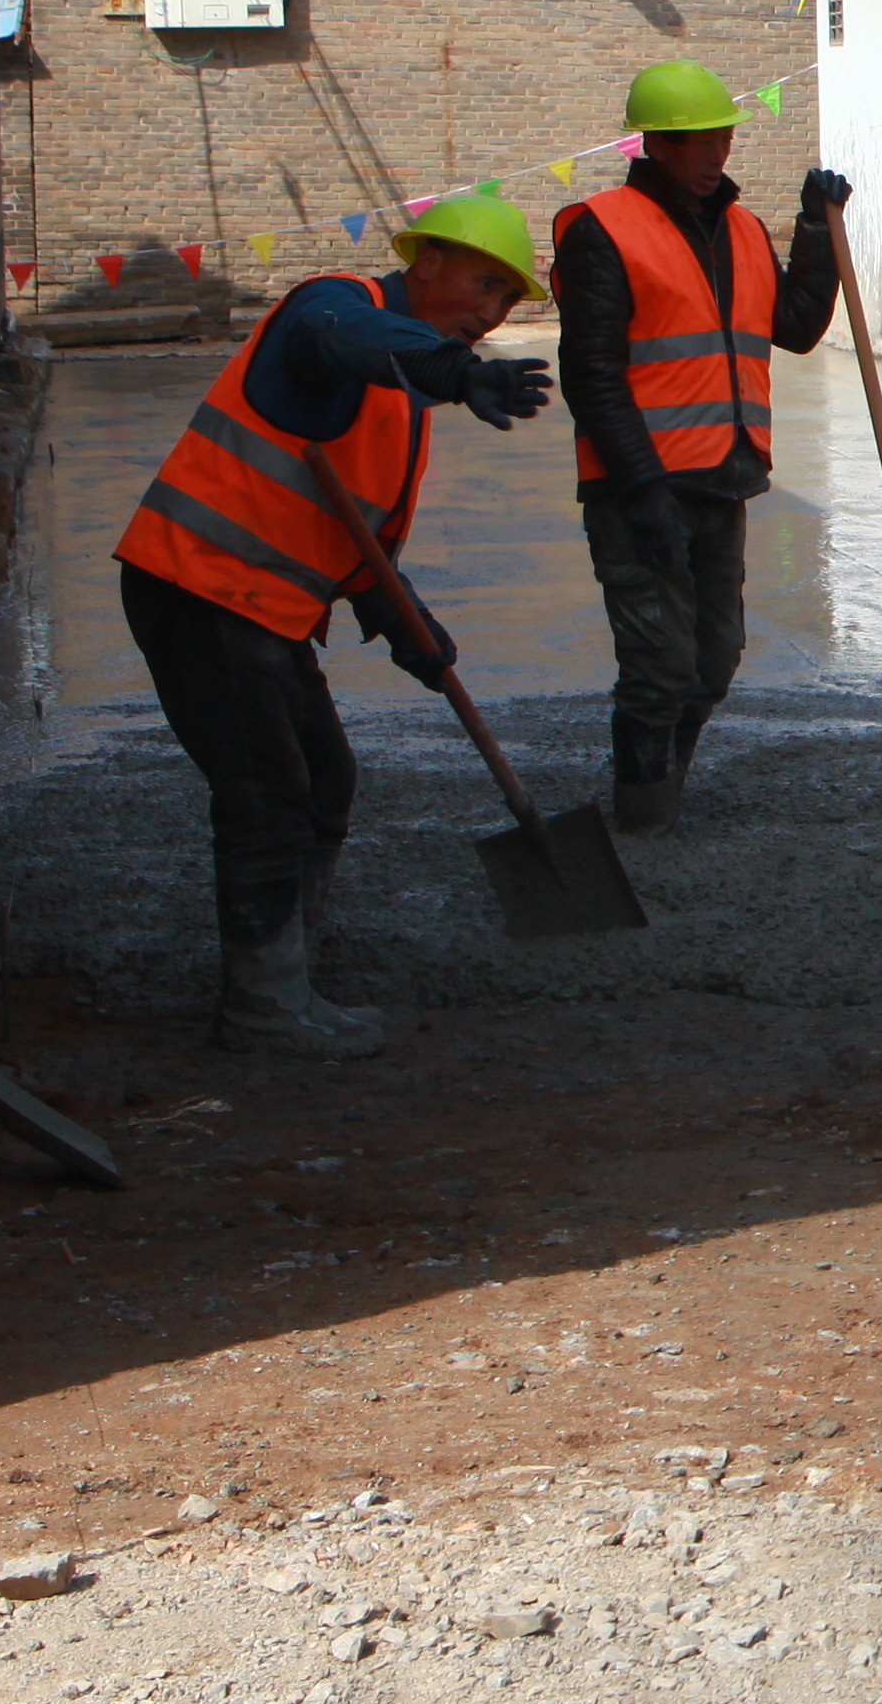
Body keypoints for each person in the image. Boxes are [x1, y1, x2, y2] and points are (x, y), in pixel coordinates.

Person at [111, 193, 554, 1059]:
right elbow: (343, 337)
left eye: (507, 301)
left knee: (323, 782)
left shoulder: (398, 392)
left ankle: (289, 959)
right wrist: (457, 373)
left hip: (256, 605)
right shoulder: (333, 309)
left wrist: (405, 624)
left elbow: (351, 536)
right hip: (200, 589)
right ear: (423, 261)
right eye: (481, 284)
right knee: (270, 797)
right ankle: (265, 1006)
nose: (491, 313)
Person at [555, 59, 842, 833]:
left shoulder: (743, 229)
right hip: (636, 487)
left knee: (714, 659)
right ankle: (645, 814)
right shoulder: (602, 231)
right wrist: (641, 487)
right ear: (654, 145)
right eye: (697, 142)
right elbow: (591, 375)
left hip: (724, 474)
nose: (715, 154)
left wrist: (815, 229)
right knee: (659, 666)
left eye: (722, 137)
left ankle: (667, 778)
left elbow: (796, 327)